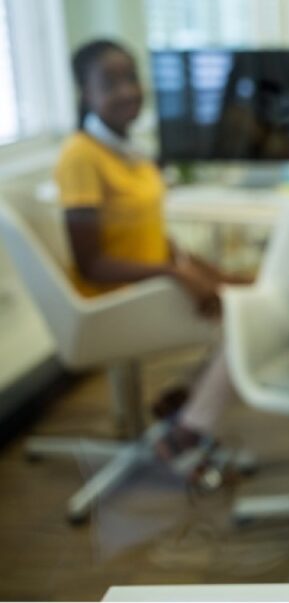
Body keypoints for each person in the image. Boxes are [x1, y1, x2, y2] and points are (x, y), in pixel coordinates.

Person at [54, 38, 243, 475]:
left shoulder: (129, 150)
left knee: (250, 291)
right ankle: (186, 424)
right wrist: (174, 273)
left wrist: (206, 271)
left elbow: (151, 236)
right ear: (84, 92)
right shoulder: (81, 156)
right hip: (113, 298)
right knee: (249, 316)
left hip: (150, 281)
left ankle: (182, 401)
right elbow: (92, 264)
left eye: (131, 77)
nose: (127, 91)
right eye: (110, 82)